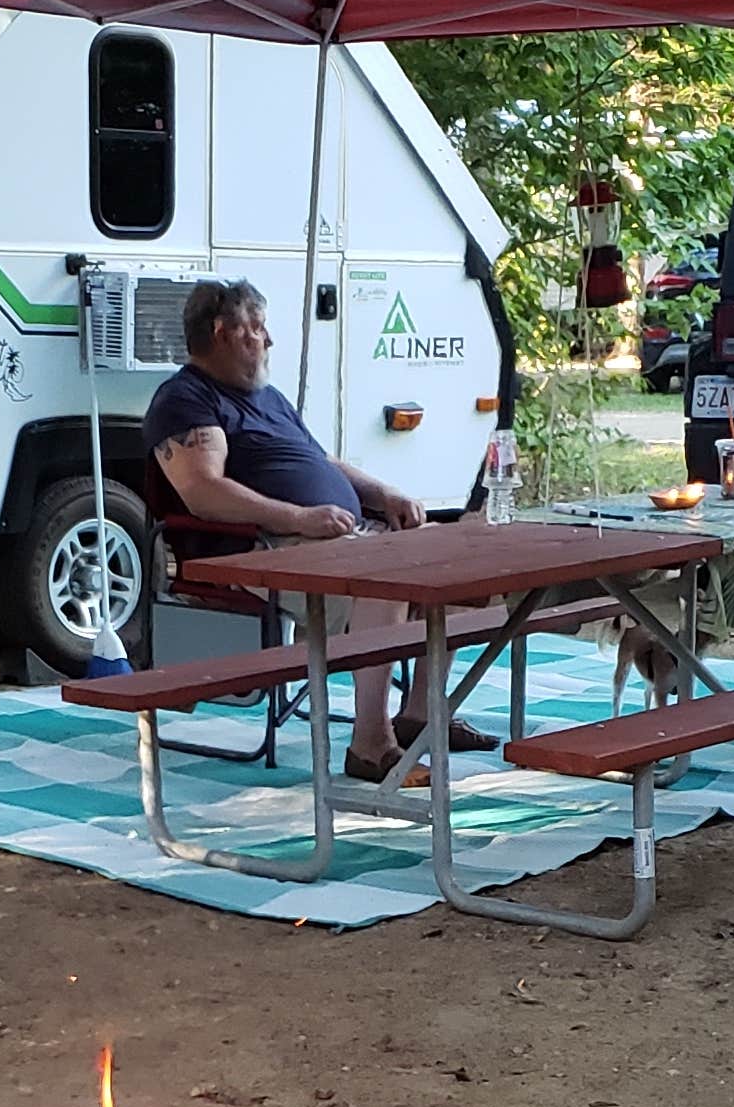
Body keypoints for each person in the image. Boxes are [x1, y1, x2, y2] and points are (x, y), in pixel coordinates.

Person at [145, 279, 492, 778]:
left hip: (333, 535)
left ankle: (421, 714)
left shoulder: (268, 397)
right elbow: (204, 490)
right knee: (387, 577)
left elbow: (322, 462)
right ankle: (370, 743)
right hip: (259, 548)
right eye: (258, 329)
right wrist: (300, 517)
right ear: (223, 332)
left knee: (451, 568)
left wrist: (385, 495)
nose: (268, 341)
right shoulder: (186, 400)